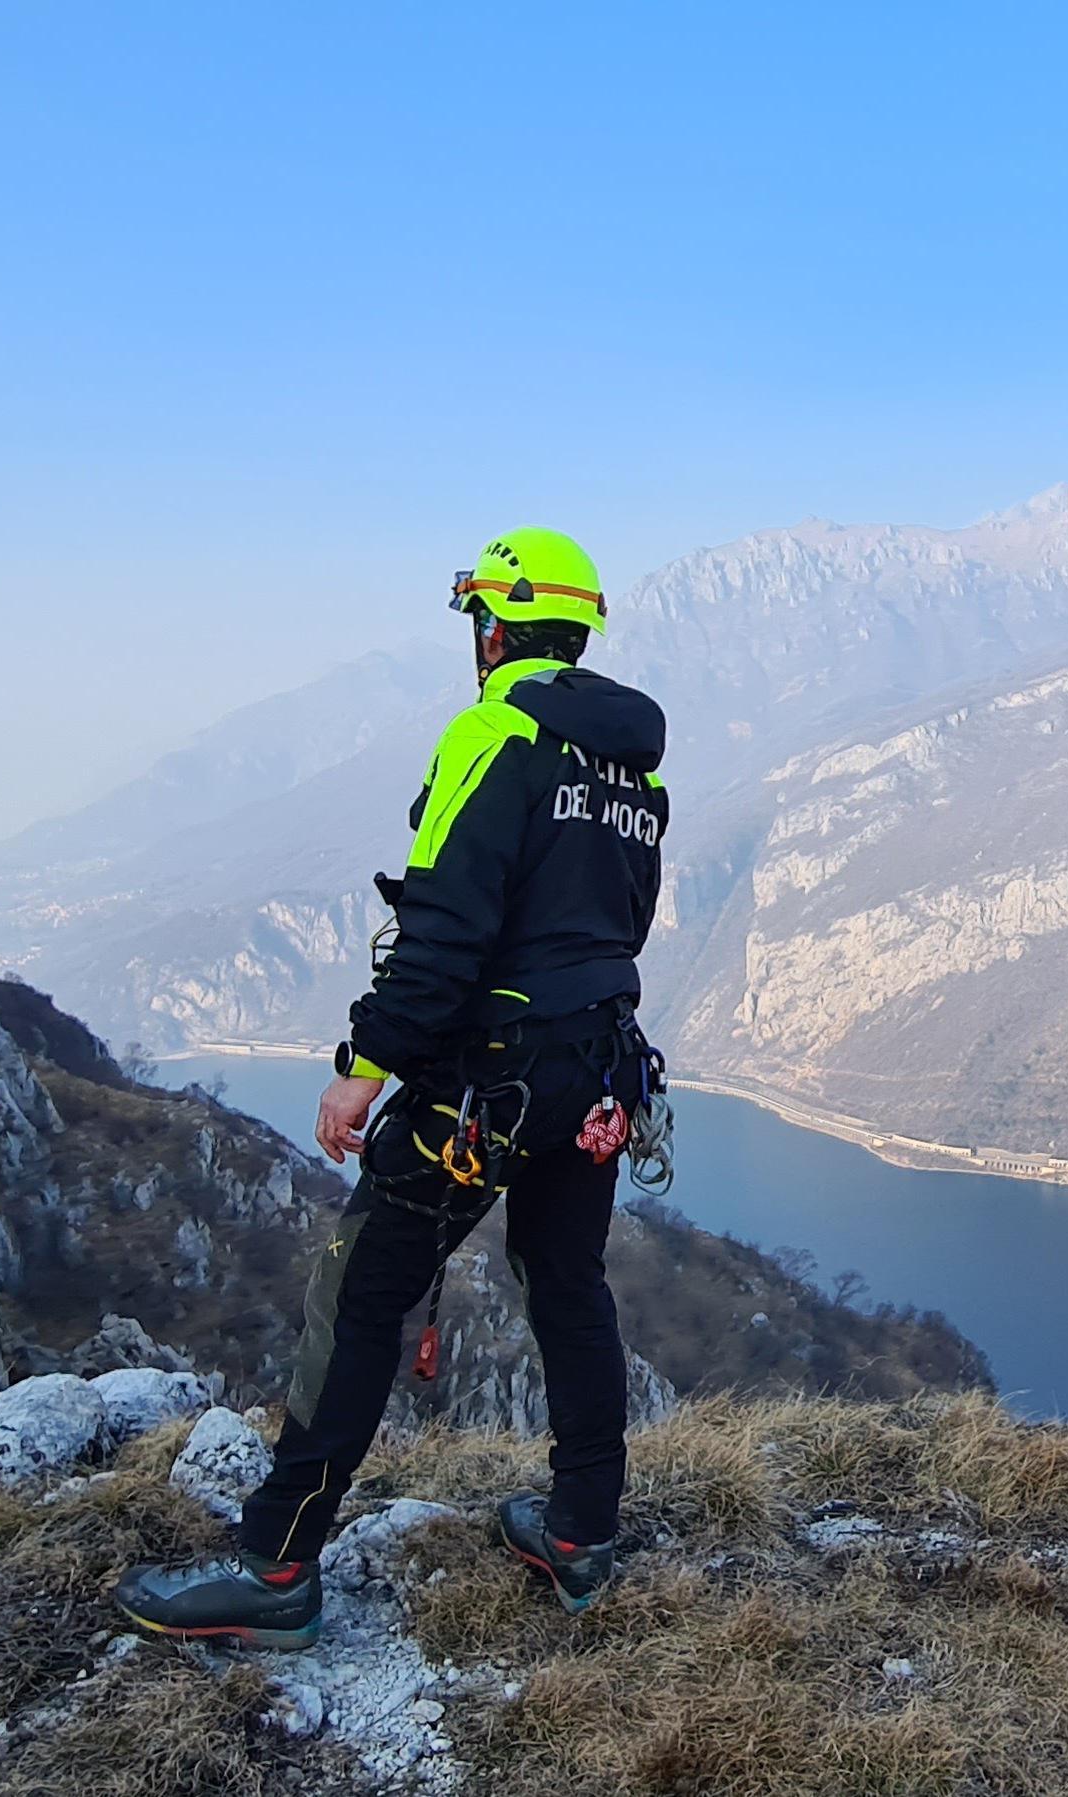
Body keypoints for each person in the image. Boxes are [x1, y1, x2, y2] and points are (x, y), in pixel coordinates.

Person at [116, 528, 670, 1648]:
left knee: (360, 1291)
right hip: (600, 1067)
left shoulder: (496, 732)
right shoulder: (636, 769)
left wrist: (362, 1070)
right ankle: (579, 1530)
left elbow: (445, 929)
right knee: (567, 1284)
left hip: (493, 1078)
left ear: (495, 627)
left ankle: (275, 1568)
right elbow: (615, 930)